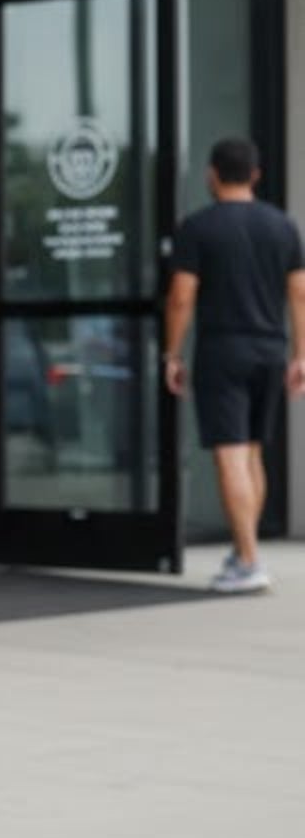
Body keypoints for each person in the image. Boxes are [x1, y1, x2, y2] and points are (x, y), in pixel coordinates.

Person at [164, 136, 305, 594]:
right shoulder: (283, 226)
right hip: (270, 349)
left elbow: (182, 297)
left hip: (223, 351)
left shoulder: (198, 227)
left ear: (212, 175)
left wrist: (172, 353)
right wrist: (301, 354)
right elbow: (300, 294)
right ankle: (246, 551)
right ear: (256, 175)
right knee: (251, 455)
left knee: (229, 456)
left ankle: (247, 561)